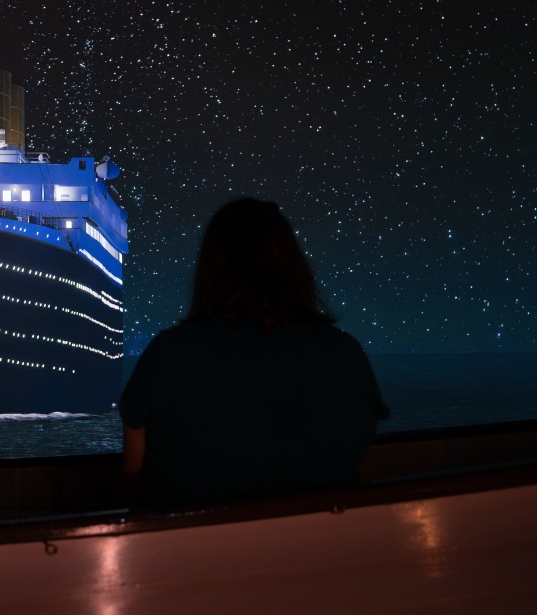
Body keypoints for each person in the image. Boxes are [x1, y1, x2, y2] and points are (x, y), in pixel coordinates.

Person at [119, 198, 390, 505]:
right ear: (293, 264)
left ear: (211, 267)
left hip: (186, 543)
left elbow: (134, 466)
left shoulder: (168, 352)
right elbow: (355, 452)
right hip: (323, 540)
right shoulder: (344, 351)